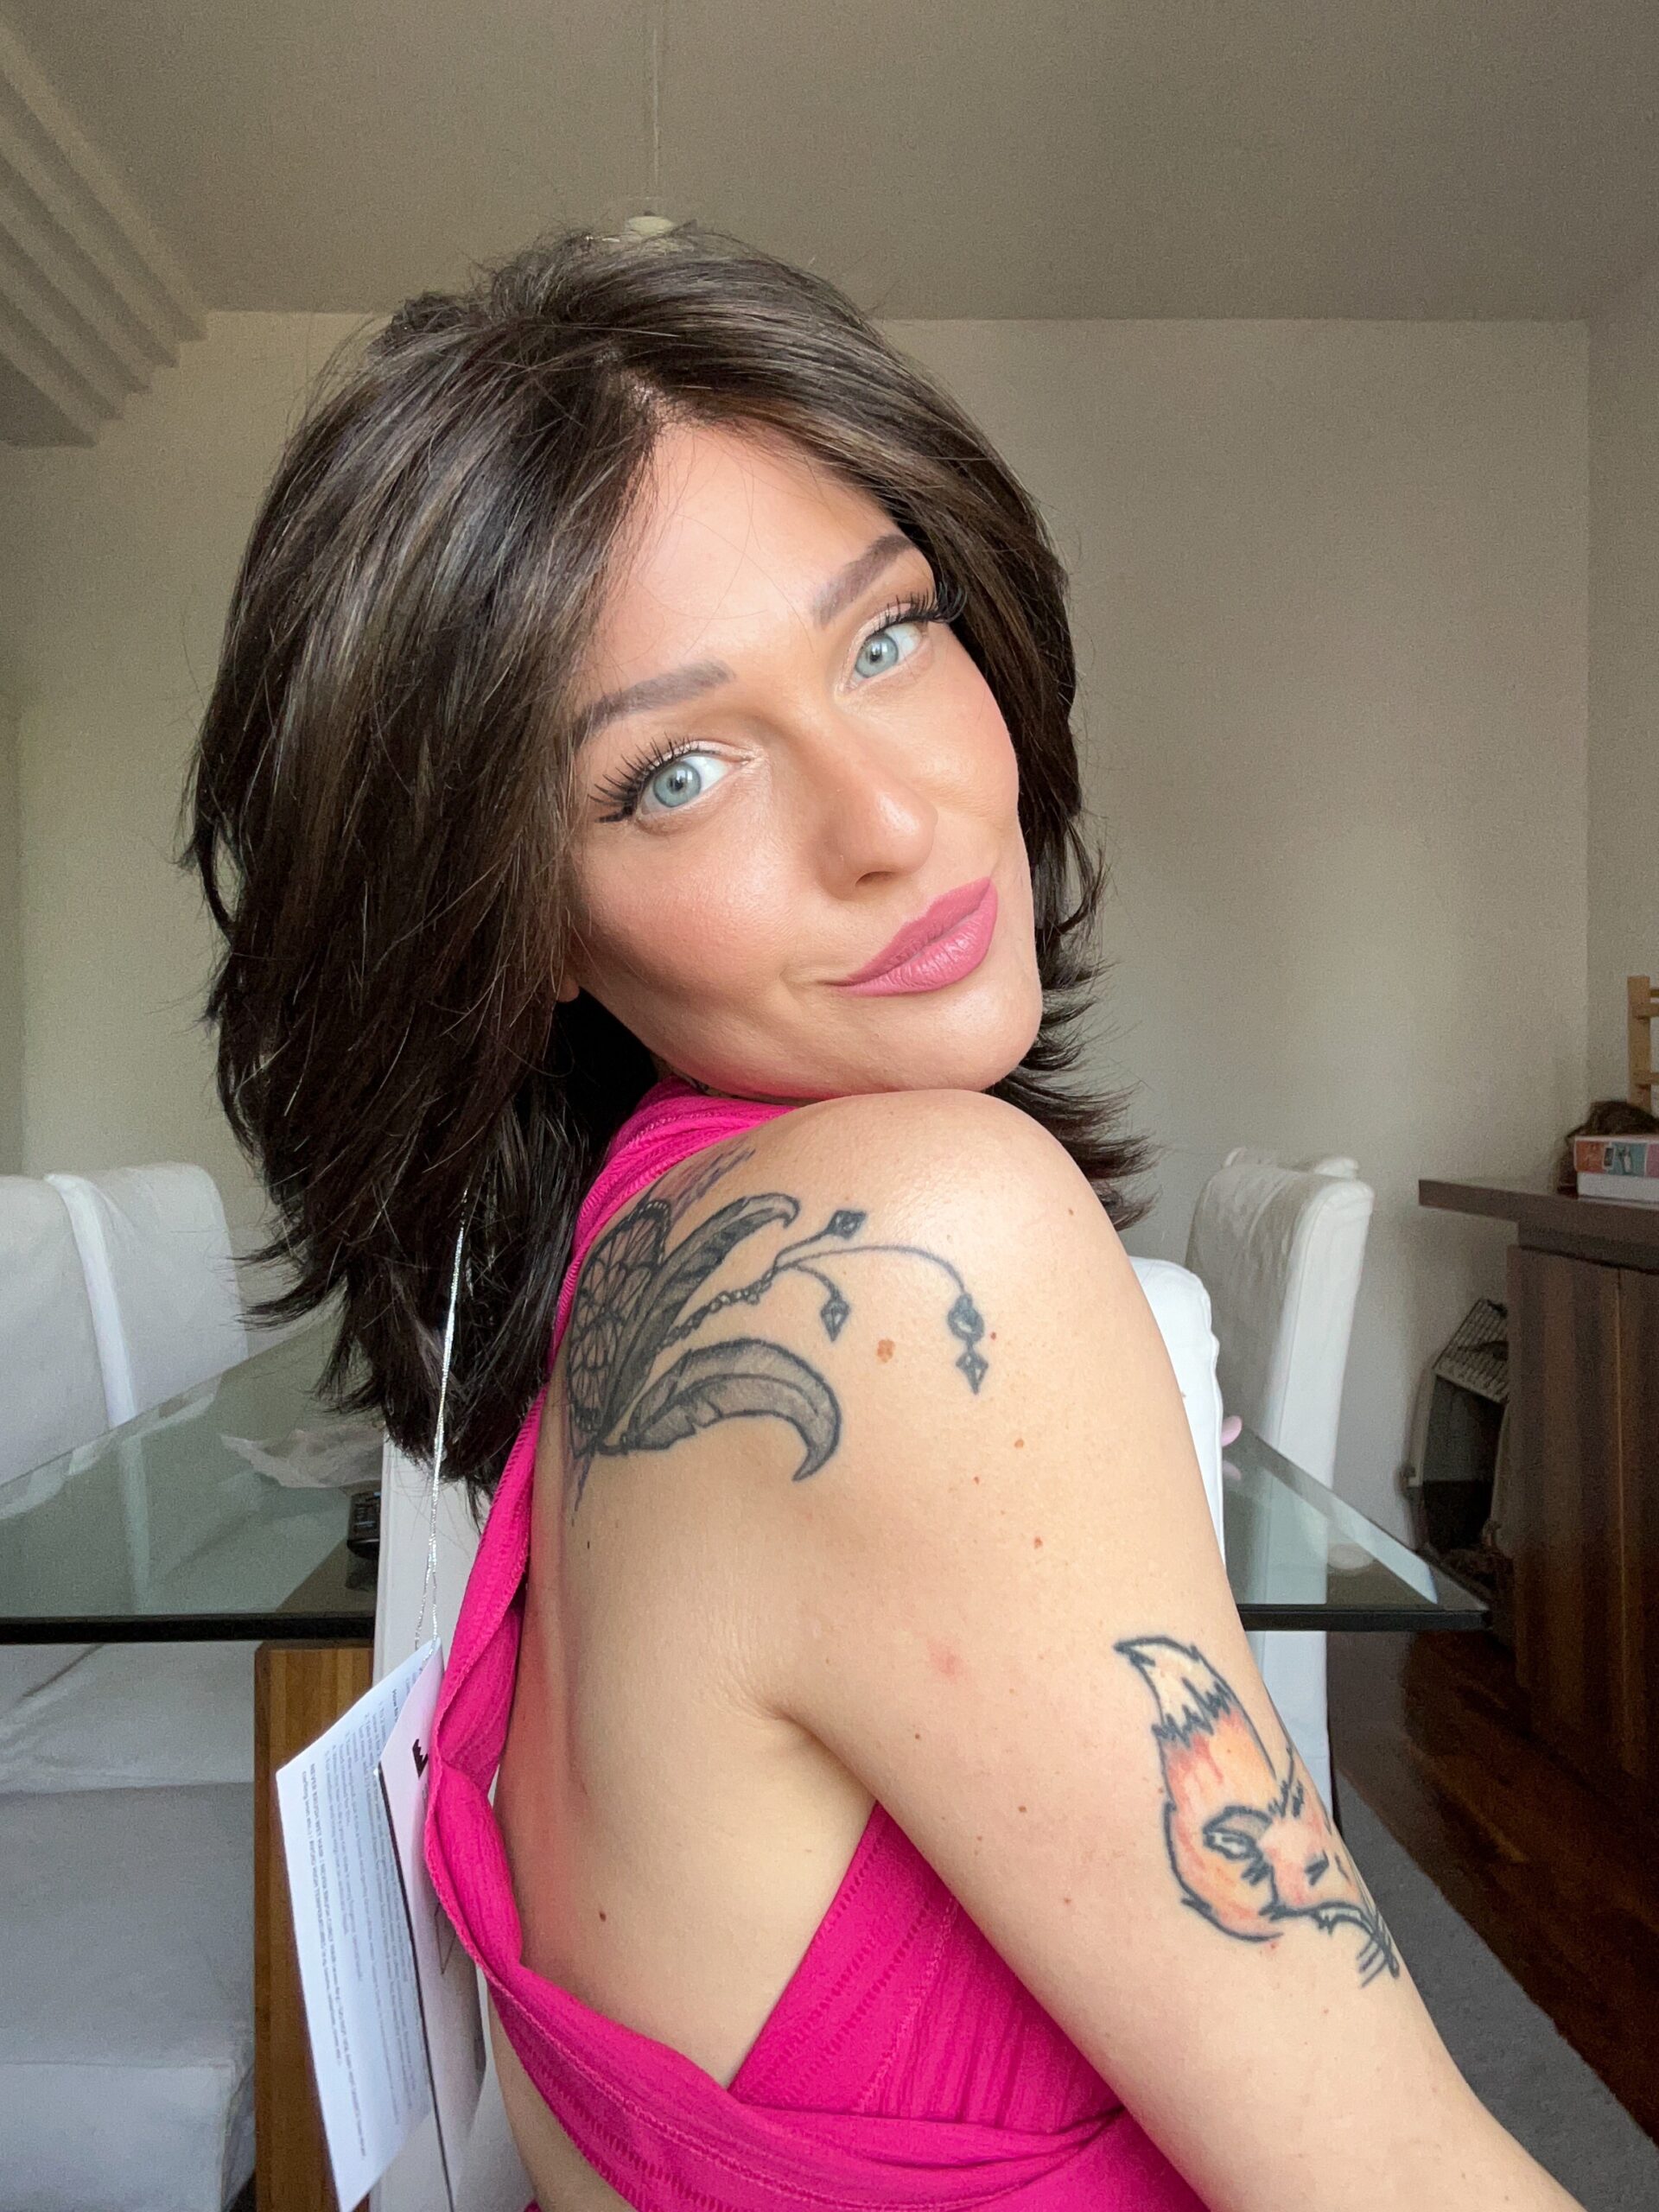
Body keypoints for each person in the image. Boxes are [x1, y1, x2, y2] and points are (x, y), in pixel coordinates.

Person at [187, 226, 1582, 2212]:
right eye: (675, 771)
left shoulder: (640, 1248)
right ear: (523, 917)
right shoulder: (918, 1252)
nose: (893, 820)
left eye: (885, 636)